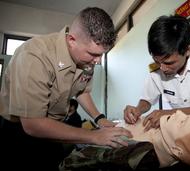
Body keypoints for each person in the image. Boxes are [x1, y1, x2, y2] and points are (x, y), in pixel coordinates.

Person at [0, 7, 132, 171]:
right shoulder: (34, 57)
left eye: (101, 55)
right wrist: (93, 136)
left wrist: (99, 119)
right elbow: (32, 124)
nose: (97, 61)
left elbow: (81, 90)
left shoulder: (85, 60)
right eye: (93, 54)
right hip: (20, 135)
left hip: (54, 130)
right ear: (71, 40)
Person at [59, 110, 190, 170]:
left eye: (182, 122)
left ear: (177, 150)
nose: (178, 113)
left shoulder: (133, 155)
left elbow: (73, 162)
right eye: (186, 115)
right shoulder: (164, 139)